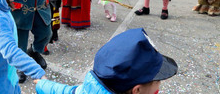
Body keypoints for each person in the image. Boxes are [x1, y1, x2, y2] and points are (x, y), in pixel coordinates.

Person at [35, 28, 178, 94]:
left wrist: (42, 84)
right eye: (157, 80)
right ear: (137, 90)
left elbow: (64, 91)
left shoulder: (85, 90)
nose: (160, 86)